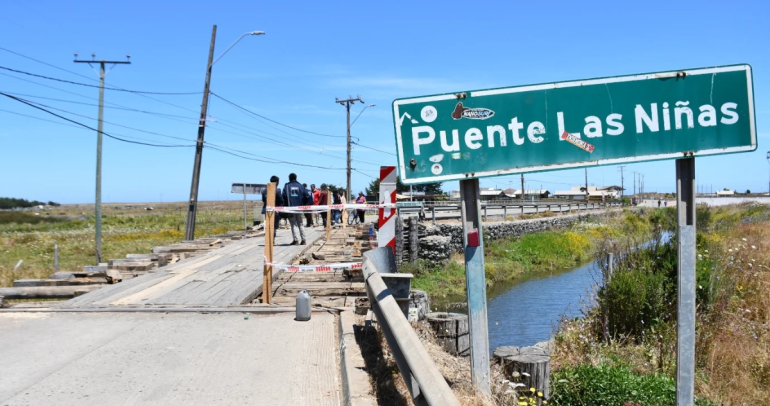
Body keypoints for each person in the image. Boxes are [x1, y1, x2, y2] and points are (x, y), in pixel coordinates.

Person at [282, 173, 309, 245]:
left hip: (291, 209)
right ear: (296, 178)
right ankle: (304, 240)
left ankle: (295, 240)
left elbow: (283, 196)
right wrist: (304, 204)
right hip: (300, 208)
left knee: (293, 224)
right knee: (300, 224)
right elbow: (307, 196)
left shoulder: (287, 186)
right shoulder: (301, 186)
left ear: (289, 178)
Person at [261, 175, 283, 240]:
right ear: (276, 182)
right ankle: (272, 239)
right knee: (274, 226)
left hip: (267, 210)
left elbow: (263, 200)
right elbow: (281, 201)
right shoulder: (278, 190)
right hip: (275, 210)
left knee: (269, 225)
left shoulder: (264, 190)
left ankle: (269, 239)